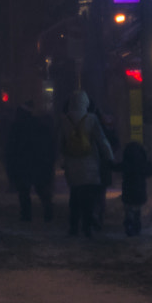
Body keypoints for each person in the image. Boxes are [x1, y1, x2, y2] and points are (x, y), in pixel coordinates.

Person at [58, 91, 110, 237]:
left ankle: (73, 226)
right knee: (88, 198)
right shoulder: (91, 119)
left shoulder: (64, 120)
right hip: (90, 164)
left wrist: (61, 159)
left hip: (72, 164)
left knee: (74, 196)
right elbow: (101, 140)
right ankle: (87, 227)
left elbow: (60, 143)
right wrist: (109, 156)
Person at [0, 93, 57, 223]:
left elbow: (11, 148)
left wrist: (11, 165)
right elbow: (49, 145)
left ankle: (26, 215)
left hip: (22, 164)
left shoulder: (17, 127)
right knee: (42, 190)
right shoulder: (40, 125)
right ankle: (48, 213)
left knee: (24, 192)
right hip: (38, 163)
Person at [118, 138, 152, 237]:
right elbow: (150, 172)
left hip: (128, 191)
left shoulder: (127, 163)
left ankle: (129, 224)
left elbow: (117, 167)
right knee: (137, 210)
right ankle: (136, 226)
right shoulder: (142, 163)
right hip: (140, 191)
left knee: (129, 209)